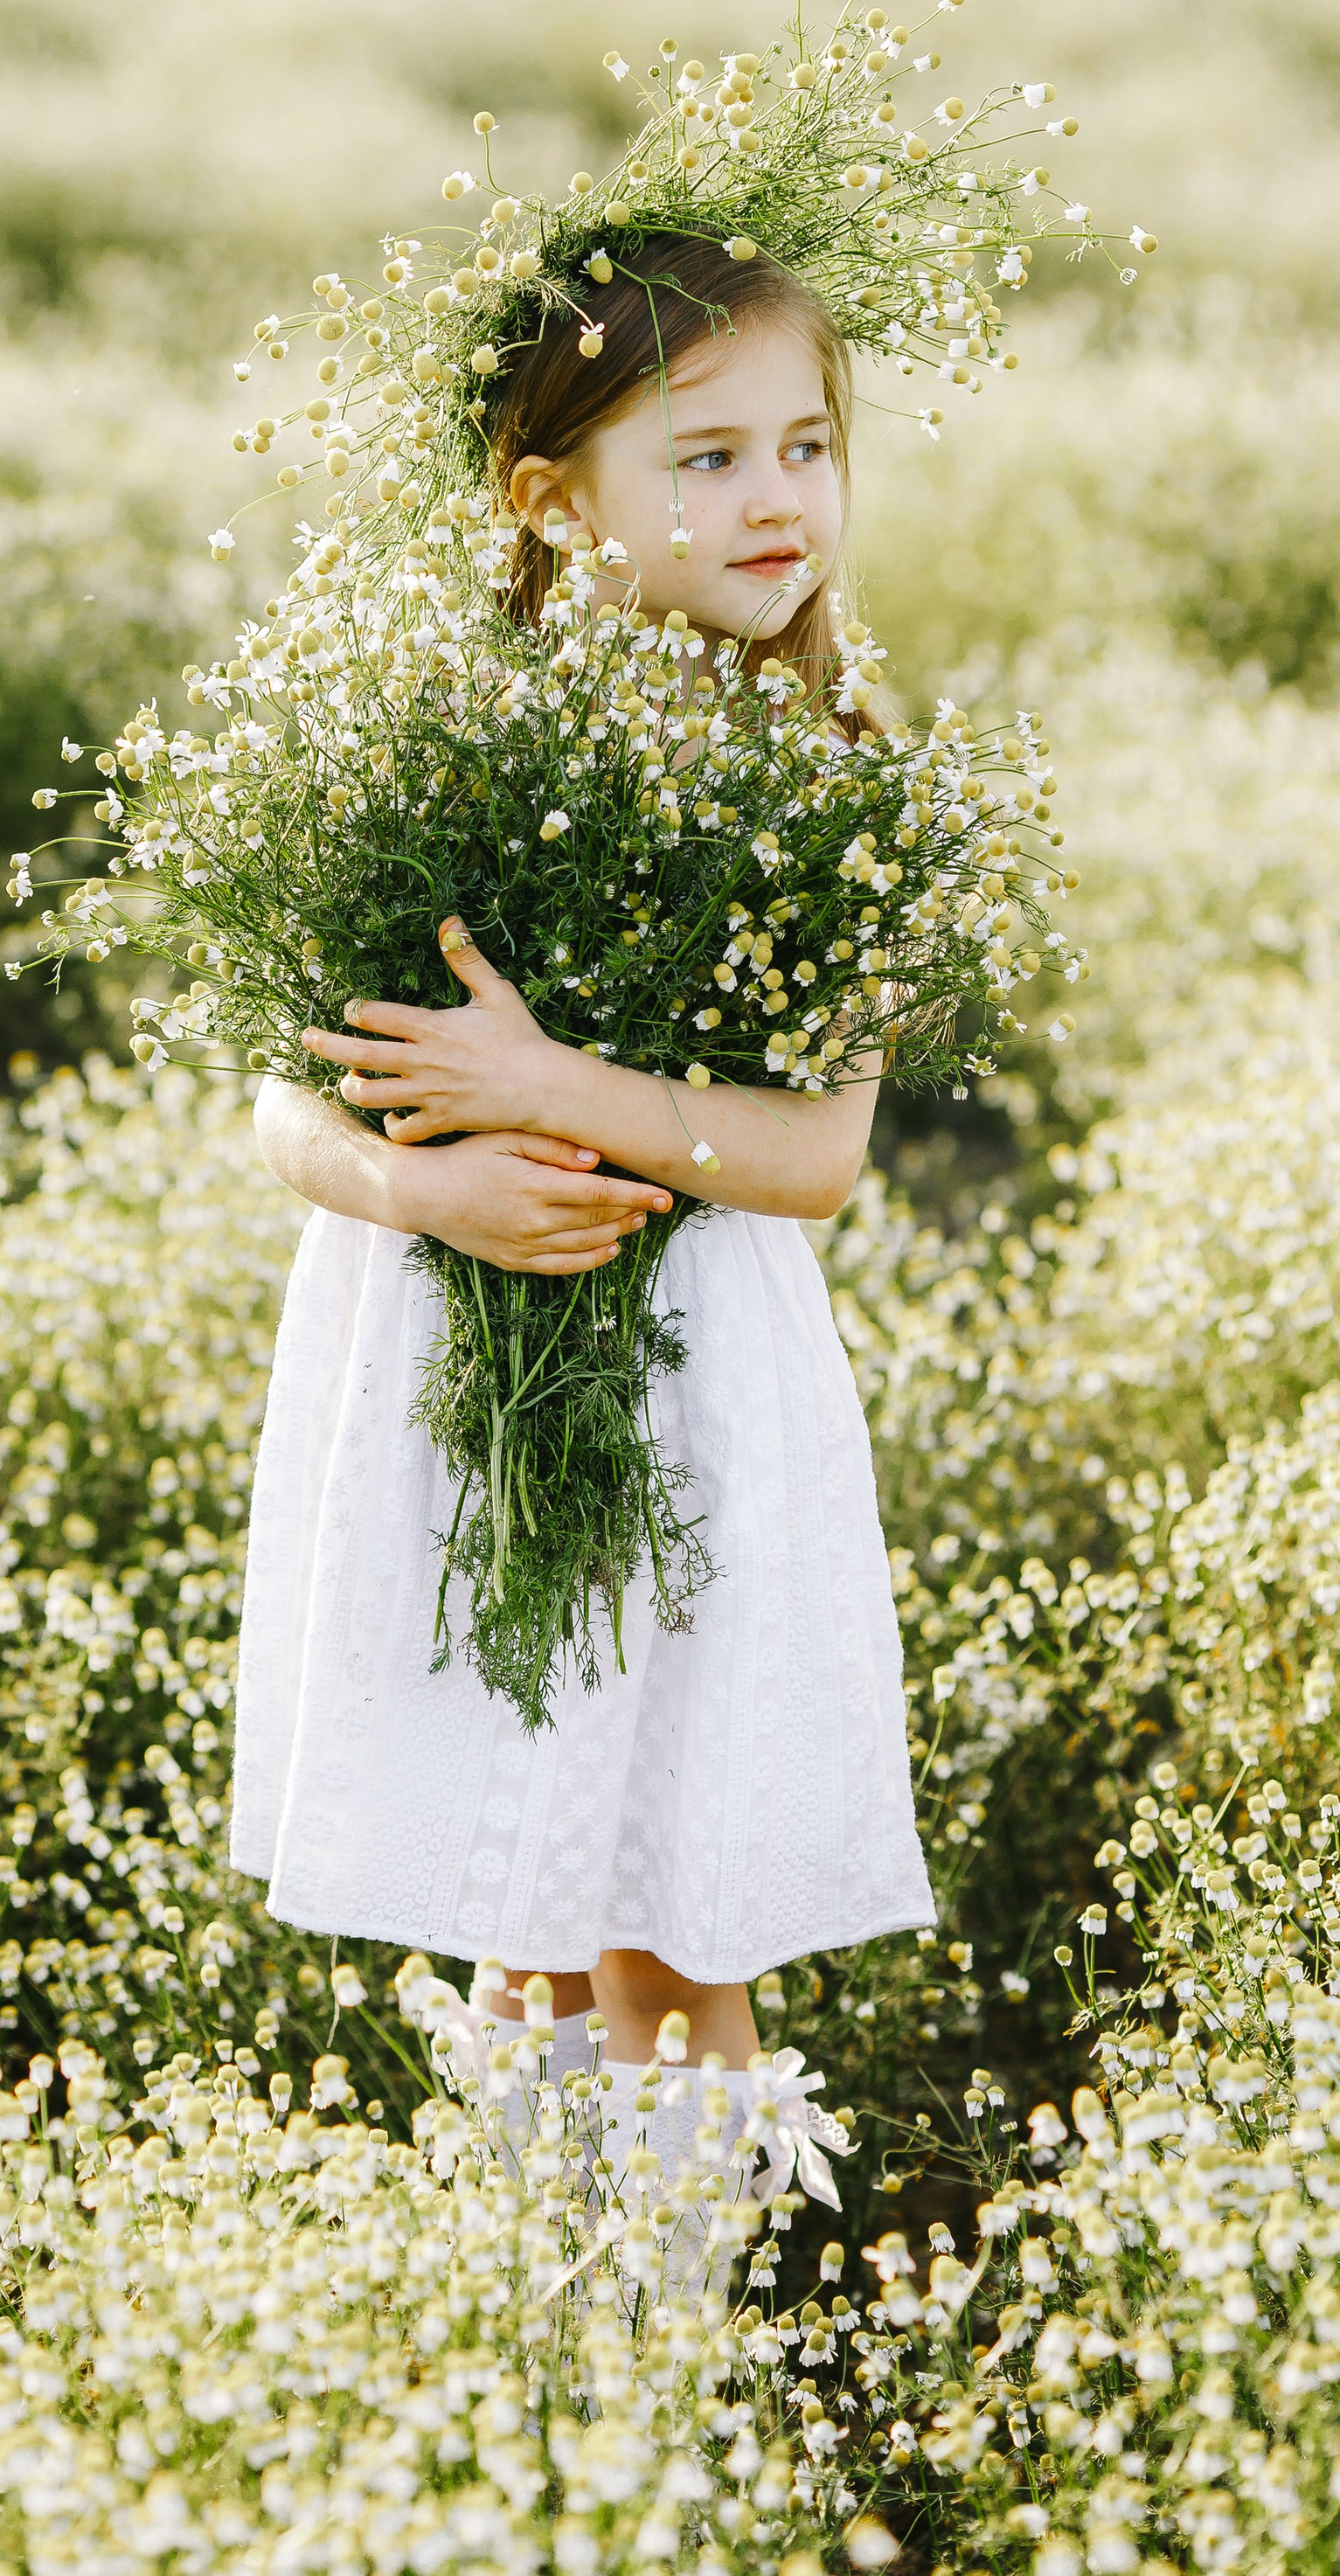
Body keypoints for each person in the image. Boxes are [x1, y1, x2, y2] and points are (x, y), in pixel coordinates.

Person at [229, 230, 934, 2184]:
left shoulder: (829, 768)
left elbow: (813, 1160)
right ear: (550, 500)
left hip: (700, 1382)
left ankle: (673, 2370)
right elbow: (271, 1096)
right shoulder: (429, 744)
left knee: (675, 1920)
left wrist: (544, 1089)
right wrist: (414, 1185)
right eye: (702, 458)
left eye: (805, 443)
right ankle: (542, 2352)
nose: (774, 495)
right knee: (521, 1898)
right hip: (458, 1373)